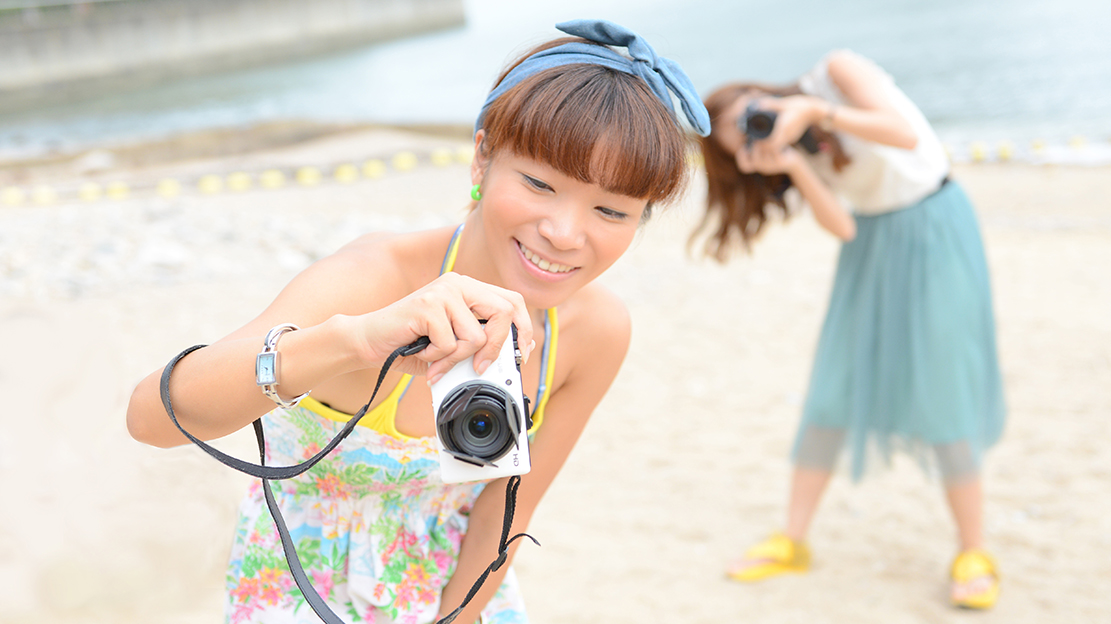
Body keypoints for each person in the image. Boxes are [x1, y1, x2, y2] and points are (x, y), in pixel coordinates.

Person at [126, 19, 709, 624]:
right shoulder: (371, 281)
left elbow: (503, 516)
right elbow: (150, 417)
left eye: (611, 211)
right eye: (539, 183)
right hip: (298, 595)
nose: (564, 233)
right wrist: (354, 341)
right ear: (482, 158)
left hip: (456, 597)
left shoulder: (592, 331)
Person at [695, 50, 1005, 609]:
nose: (755, 126)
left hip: (936, 226)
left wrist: (814, 111)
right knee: (832, 387)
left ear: (758, 91)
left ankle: (973, 550)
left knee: (945, 386)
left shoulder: (834, 76)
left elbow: (905, 134)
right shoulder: (801, 150)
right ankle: (792, 539)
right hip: (870, 245)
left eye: (748, 115)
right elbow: (841, 226)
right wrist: (791, 164)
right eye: (742, 138)